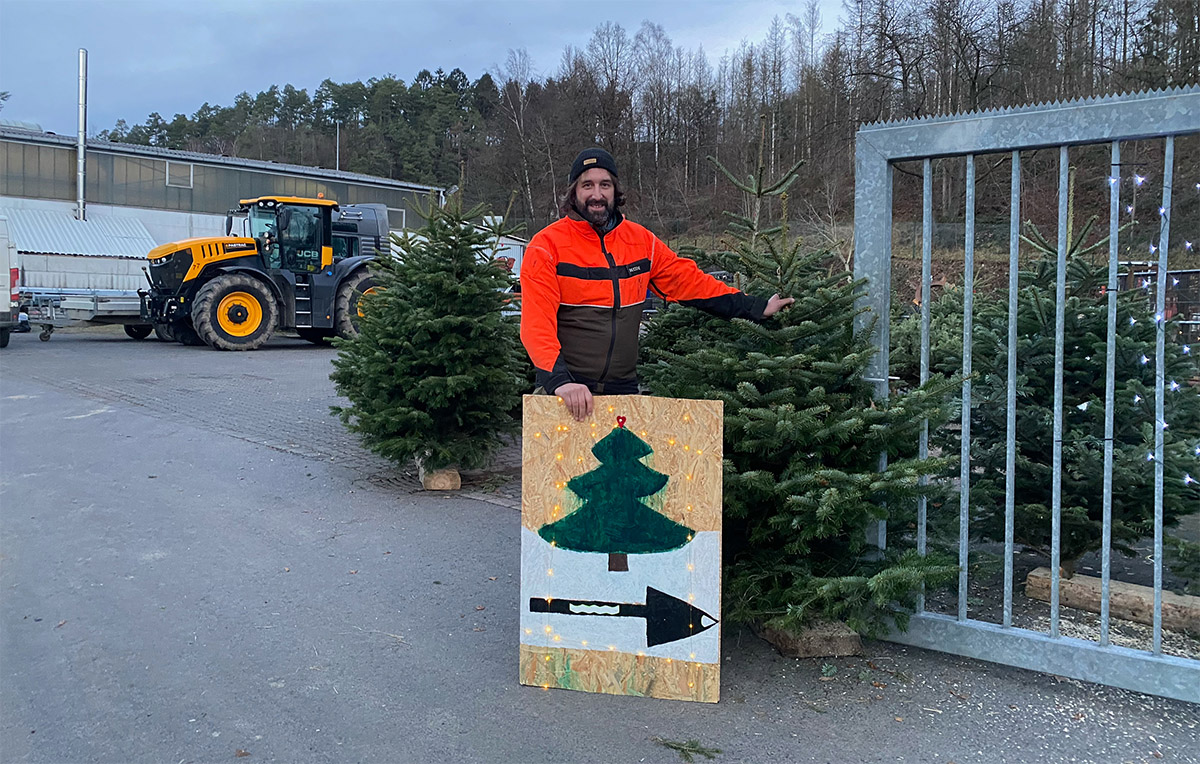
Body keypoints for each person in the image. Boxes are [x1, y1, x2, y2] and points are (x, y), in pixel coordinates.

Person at [520, 147, 794, 421]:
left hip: (623, 390)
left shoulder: (641, 242)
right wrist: (560, 381)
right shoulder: (546, 247)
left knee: (628, 465)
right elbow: (537, 324)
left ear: (615, 190)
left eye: (605, 185)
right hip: (567, 393)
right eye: (587, 185)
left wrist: (757, 307)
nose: (597, 195)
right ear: (573, 192)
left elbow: (691, 282)